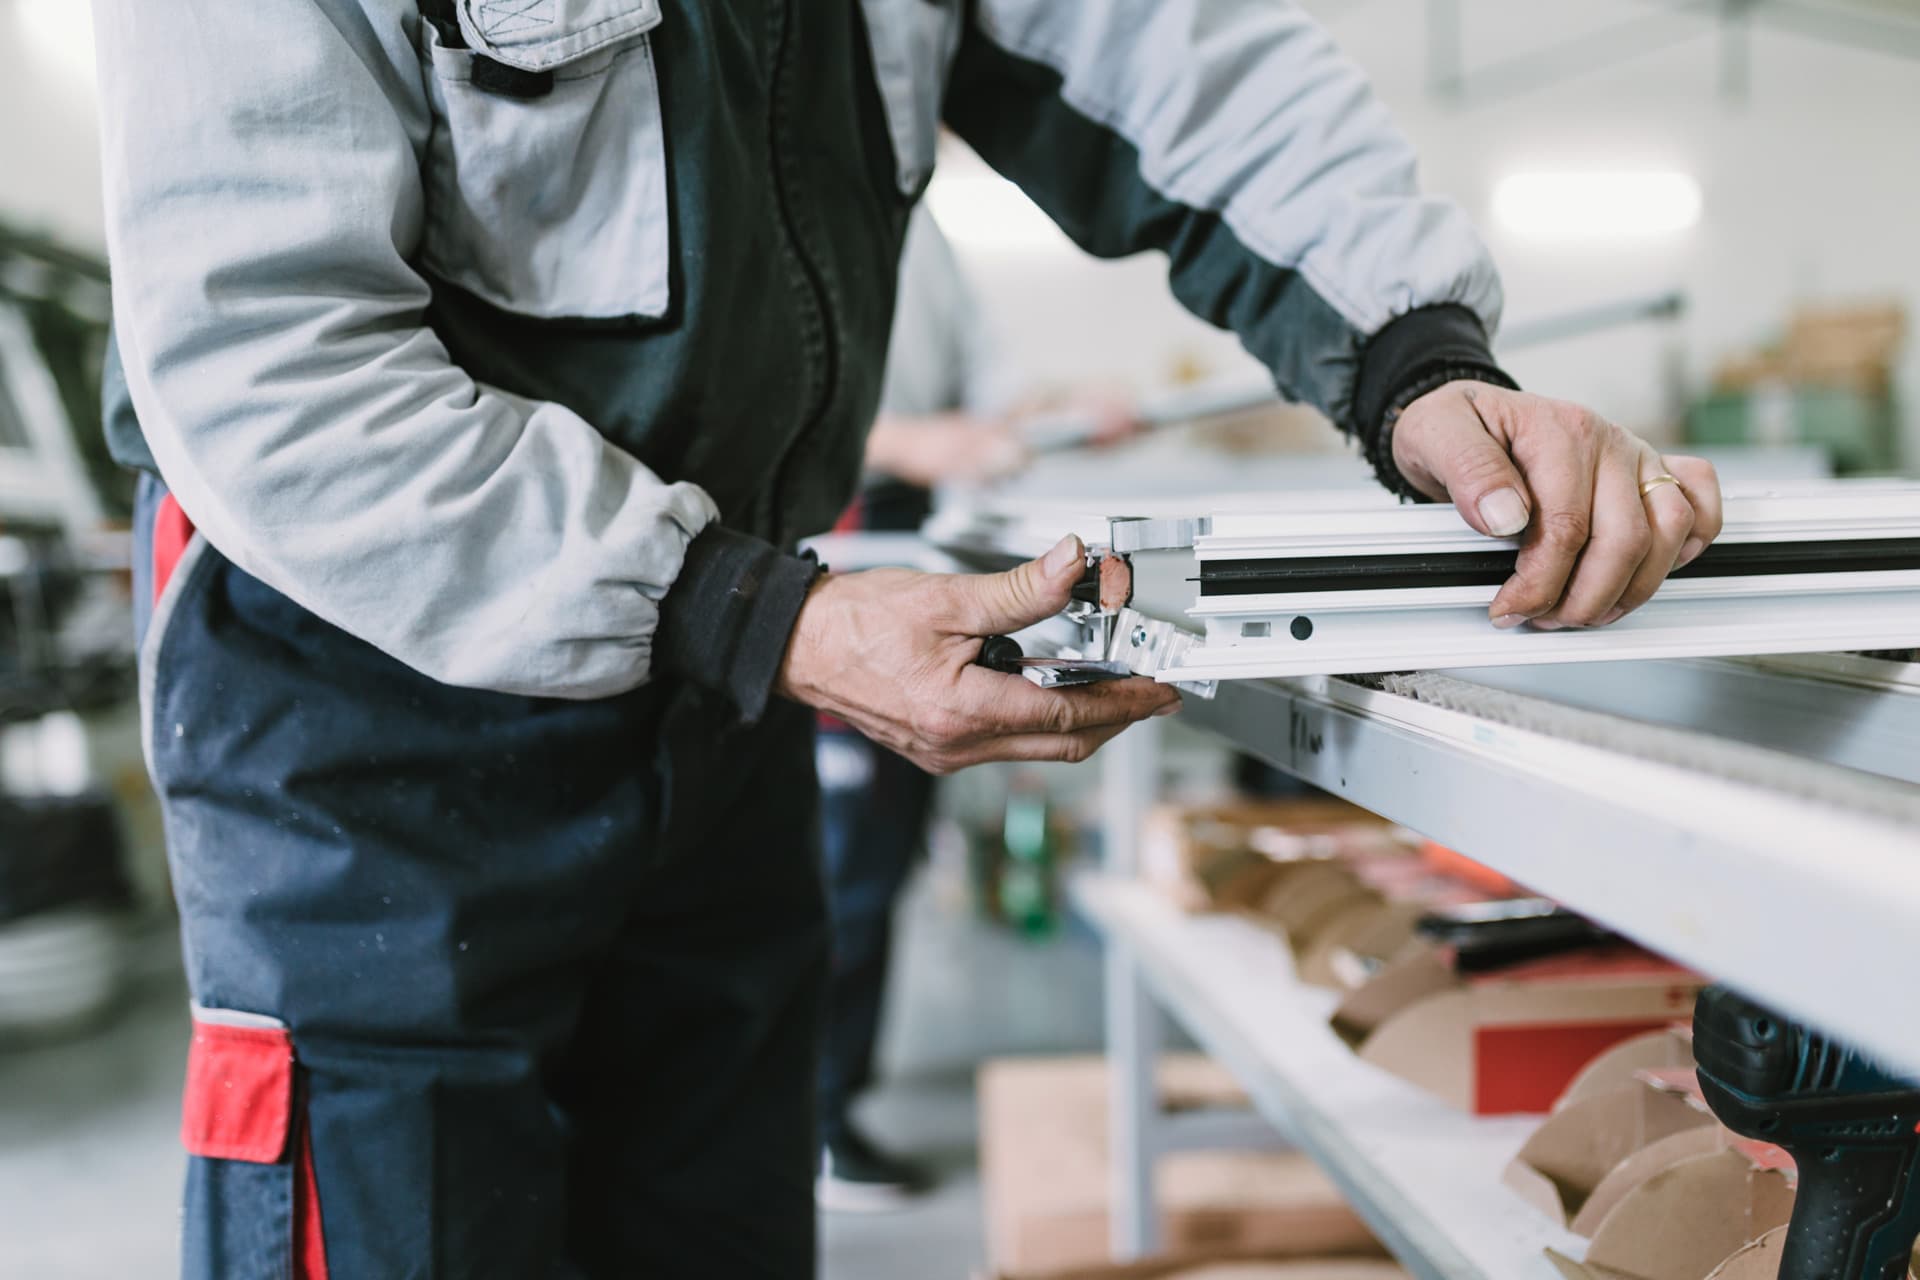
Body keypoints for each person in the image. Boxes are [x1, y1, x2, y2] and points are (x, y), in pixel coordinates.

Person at [91, 1, 1723, 1275]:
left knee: (711, 1230)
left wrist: (1420, 358)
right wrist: (757, 612)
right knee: (409, 1224)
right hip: (376, 700)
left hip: (720, 688)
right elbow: (262, 358)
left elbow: (1184, 63)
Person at [813, 203, 1135, 1211]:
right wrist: (905, 439)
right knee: (830, 875)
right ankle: (809, 1119)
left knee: (878, 853)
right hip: (821, 532)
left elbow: (988, 397)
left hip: (909, 536)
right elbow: (726, 402)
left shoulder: (913, 221)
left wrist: (1062, 408)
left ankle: (826, 1105)